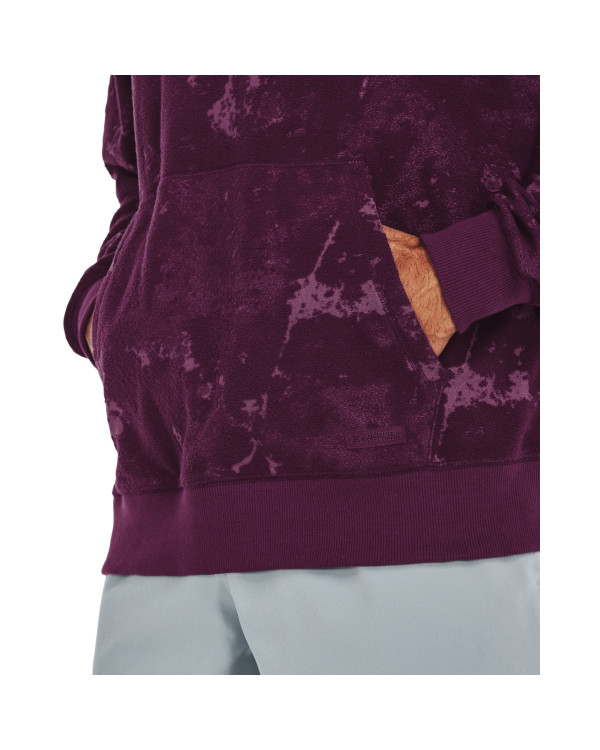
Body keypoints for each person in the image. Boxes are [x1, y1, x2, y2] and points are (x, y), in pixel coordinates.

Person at [63, 75, 540, 674]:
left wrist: (465, 271)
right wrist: (114, 308)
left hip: (415, 495)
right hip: (167, 502)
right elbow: (137, 165)